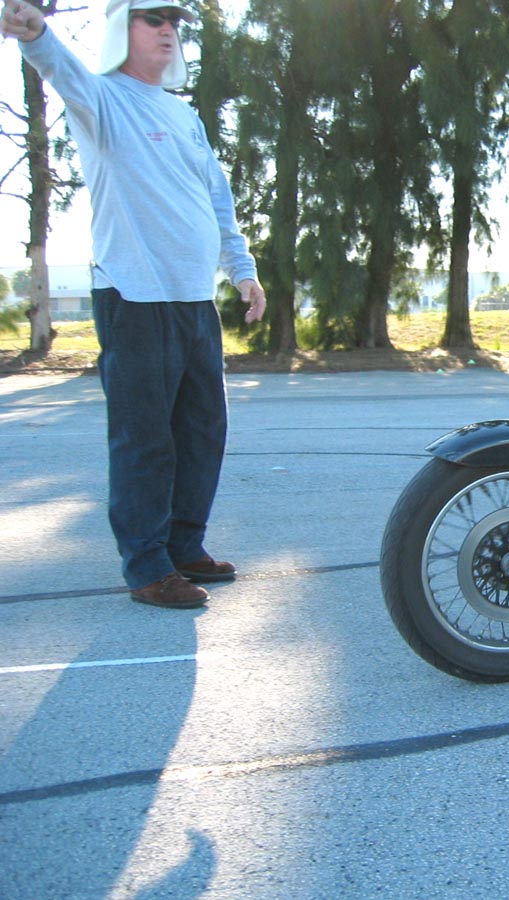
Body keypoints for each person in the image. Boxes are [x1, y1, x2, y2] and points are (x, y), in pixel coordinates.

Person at [1, 0, 267, 609]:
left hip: (194, 300)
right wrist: (36, 33)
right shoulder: (102, 101)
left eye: (174, 22)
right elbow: (62, 69)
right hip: (135, 297)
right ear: (123, 29)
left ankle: (183, 547)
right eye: (153, 19)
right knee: (144, 439)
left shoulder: (183, 115)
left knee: (202, 433)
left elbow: (216, 197)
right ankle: (147, 568)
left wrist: (242, 270)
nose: (168, 30)